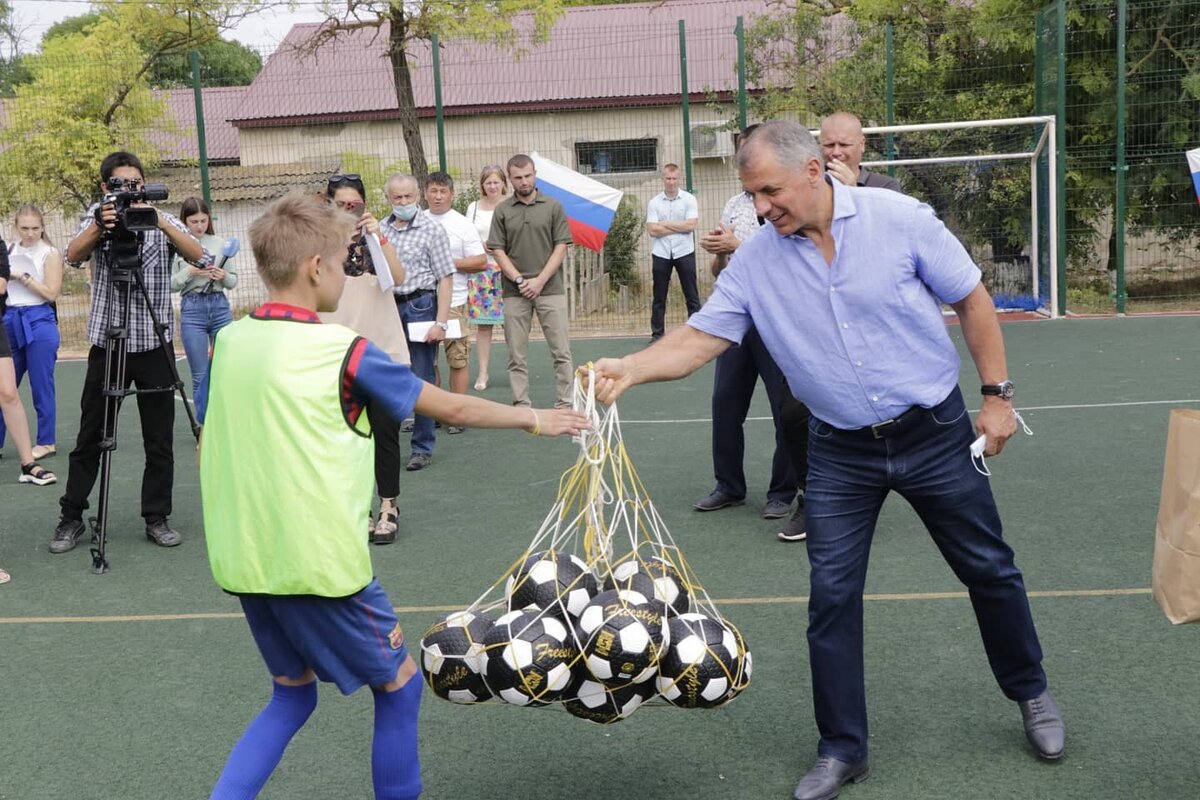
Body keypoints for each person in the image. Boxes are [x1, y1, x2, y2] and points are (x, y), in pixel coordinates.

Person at [588, 121, 1063, 800]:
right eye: (753, 196)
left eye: (770, 191)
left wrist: (996, 398)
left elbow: (972, 297)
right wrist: (630, 369)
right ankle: (843, 749)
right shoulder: (756, 261)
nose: (761, 208)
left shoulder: (901, 220)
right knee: (831, 599)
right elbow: (698, 339)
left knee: (989, 568)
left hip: (934, 432)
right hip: (838, 451)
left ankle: (1032, 692)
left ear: (814, 169)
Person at [196, 193, 588, 800]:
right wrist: (535, 418)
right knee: (401, 685)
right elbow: (450, 404)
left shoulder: (231, 341)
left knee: (293, 694)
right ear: (315, 269)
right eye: (343, 259)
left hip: (243, 559)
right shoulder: (342, 350)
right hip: (317, 566)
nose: (349, 270)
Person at [51, 151, 208, 554]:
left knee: (159, 439)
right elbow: (72, 256)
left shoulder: (160, 217)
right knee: (91, 435)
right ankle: (71, 516)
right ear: (106, 187)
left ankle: (156, 516)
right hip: (109, 342)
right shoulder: (96, 215)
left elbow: (200, 256)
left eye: (135, 184)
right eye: (121, 184)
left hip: (154, 344)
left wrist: (157, 222)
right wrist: (101, 226)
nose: (130, 190)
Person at [694, 126, 798, 532]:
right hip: (736, 316)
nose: (744, 160)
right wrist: (719, 255)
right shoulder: (735, 205)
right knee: (725, 404)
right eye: (741, 154)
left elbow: (783, 258)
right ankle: (729, 485)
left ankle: (782, 493)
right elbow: (722, 268)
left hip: (776, 317)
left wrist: (738, 247)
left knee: (784, 409)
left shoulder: (787, 207)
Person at [319, 173, 409, 544]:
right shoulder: (320, 244)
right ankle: (360, 508)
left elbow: (399, 278)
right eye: (340, 204)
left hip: (381, 347)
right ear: (328, 205)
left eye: (354, 204)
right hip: (336, 349)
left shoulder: (377, 237)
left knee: (385, 431)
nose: (348, 211)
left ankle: (389, 504)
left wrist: (378, 235)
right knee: (347, 436)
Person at [488, 154, 575, 409]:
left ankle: (565, 402)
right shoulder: (502, 210)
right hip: (514, 293)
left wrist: (539, 281)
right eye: (518, 177)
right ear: (510, 178)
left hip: (551, 290)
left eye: (528, 176)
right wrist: (518, 279)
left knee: (561, 351)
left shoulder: (554, 206)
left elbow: (561, 247)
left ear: (535, 173)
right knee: (516, 354)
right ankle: (521, 404)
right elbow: (497, 250)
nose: (524, 181)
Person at [382, 172, 455, 472]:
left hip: (421, 305)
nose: (403, 202)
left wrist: (441, 322)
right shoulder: (379, 230)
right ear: (389, 199)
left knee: (422, 377)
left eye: (408, 197)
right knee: (385, 376)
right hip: (386, 306)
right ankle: (385, 445)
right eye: (397, 197)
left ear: (418, 196)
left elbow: (446, 278)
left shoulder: (432, 229)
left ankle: (422, 447)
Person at [425, 171, 487, 432]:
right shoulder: (417, 222)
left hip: (455, 302)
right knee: (427, 361)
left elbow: (480, 261)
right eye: (433, 191)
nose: (438, 196)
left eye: (443, 192)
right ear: (425, 193)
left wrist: (446, 265)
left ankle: (457, 413)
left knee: (457, 358)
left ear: (451, 194)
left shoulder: (462, 224)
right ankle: (432, 412)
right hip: (421, 302)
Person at [1, 204, 62, 463]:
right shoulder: (9, 250)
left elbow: (51, 293)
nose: (30, 233)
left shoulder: (50, 253)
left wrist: (23, 277)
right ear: (16, 227)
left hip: (39, 320)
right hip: (10, 319)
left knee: (41, 385)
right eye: (24, 228)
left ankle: (46, 441)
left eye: (35, 228)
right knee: (5, 388)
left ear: (43, 227)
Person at [172, 197, 238, 396]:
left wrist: (223, 275)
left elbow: (233, 281)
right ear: (184, 221)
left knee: (225, 370)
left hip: (220, 308)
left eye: (203, 221)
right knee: (200, 375)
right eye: (194, 222)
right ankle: (204, 424)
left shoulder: (220, 244)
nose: (199, 226)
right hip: (192, 311)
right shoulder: (176, 247)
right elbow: (170, 284)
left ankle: (225, 420)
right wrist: (190, 272)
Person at [464, 166, 508, 391]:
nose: (492, 186)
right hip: (482, 272)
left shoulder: (511, 205)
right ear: (482, 185)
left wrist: (501, 247)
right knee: (483, 326)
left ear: (503, 184)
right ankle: (483, 373)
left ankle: (517, 370)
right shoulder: (473, 208)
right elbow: (467, 235)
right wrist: (481, 245)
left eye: (496, 182)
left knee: (513, 324)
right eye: (488, 182)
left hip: (508, 270)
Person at [646, 163, 701, 341]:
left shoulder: (689, 199)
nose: (671, 182)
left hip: (684, 252)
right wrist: (679, 226)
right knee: (659, 296)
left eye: (674, 178)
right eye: (668, 178)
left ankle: (697, 333)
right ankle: (657, 334)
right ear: (663, 179)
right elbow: (652, 230)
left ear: (679, 179)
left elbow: (691, 226)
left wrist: (663, 223)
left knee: (691, 295)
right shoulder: (654, 202)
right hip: (661, 253)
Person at [819, 111, 903, 192]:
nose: (836, 152)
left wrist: (853, 190)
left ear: (862, 144)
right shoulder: (811, 185)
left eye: (844, 145)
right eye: (829, 145)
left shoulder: (885, 187)